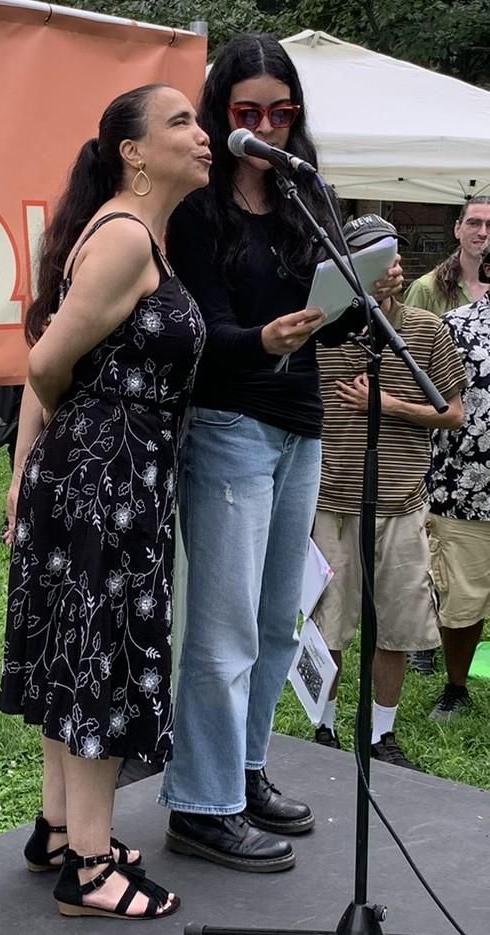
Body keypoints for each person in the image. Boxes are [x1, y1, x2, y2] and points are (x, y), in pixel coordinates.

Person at [155, 33, 402, 872]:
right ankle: (200, 803)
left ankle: (244, 770)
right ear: (222, 114)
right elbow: (205, 335)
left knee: (272, 622)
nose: (266, 127)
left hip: (301, 425)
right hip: (228, 425)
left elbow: (330, 320)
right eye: (246, 113)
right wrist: (263, 336)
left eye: (280, 112)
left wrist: (366, 297)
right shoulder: (196, 208)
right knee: (222, 630)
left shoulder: (307, 195)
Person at [0, 84, 211, 920]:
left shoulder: (128, 233)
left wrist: (28, 468)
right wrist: (65, 448)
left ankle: (58, 827)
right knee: (97, 660)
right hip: (106, 478)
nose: (202, 135)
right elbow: (45, 363)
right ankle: (89, 867)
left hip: (104, 472)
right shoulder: (124, 238)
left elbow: (55, 359)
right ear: (134, 151)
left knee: (74, 649)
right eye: (182, 123)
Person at [311, 214, 466, 768]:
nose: (395, 265)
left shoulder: (426, 330)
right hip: (329, 503)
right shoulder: (318, 330)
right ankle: (323, 730)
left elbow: (454, 413)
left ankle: (380, 735)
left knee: (395, 627)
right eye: (379, 255)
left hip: (401, 502)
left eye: (397, 254)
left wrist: (390, 406)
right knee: (329, 625)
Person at [404, 195, 490, 675]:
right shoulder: (433, 296)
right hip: (458, 470)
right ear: (457, 229)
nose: (482, 232)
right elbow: (414, 366)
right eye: (474, 223)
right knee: (451, 575)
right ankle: (428, 644)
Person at [425, 242, 490, 721]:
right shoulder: (456, 327)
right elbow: (433, 405)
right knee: (462, 599)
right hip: (465, 489)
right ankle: (455, 686)